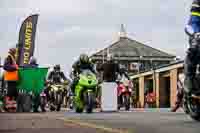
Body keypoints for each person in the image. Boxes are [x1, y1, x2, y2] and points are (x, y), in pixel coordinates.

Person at [184, 0, 200, 95]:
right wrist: (195, 33)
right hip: (197, 35)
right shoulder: (198, 3)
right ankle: (189, 77)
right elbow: (193, 22)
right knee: (195, 47)